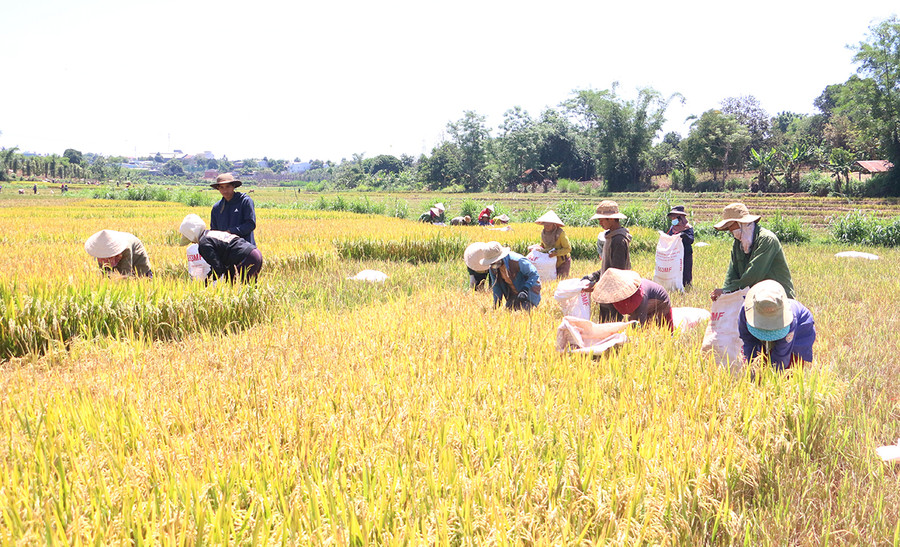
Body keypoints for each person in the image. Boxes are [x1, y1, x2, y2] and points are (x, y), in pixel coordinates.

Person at [710, 203, 795, 302]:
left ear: (742, 224)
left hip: (779, 298)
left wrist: (728, 290)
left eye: (731, 226)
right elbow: (732, 272)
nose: (730, 231)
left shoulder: (766, 240)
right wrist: (724, 293)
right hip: (756, 297)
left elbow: (754, 274)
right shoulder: (738, 243)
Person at [738, 280, 815, 371]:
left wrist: (774, 378)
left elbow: (782, 354)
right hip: (768, 323)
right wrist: (753, 368)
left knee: (789, 369)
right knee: (760, 361)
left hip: (799, 329)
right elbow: (748, 341)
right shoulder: (745, 311)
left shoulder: (790, 319)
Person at [582, 200, 632, 321]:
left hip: (615, 291)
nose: (600, 223)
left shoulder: (619, 240)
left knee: (613, 324)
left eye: (601, 219)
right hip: (606, 289)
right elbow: (608, 267)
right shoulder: (610, 237)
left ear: (611, 219)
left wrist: (596, 285)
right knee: (604, 324)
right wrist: (593, 276)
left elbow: (616, 272)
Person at [179, 213, 263, 282]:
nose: (192, 242)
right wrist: (208, 278)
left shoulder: (204, 244)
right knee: (247, 288)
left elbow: (218, 268)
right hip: (255, 254)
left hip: (246, 259)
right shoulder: (211, 234)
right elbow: (216, 265)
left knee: (235, 290)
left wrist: (206, 283)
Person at [591, 268, 673, 330]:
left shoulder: (638, 295)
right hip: (642, 304)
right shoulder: (616, 298)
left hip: (659, 302)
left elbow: (640, 323)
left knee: (654, 331)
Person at [471, 241, 540, 310]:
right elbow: (496, 286)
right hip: (512, 294)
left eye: (495, 262)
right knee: (508, 312)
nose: (493, 265)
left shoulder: (517, 261)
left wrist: (525, 289)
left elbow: (533, 274)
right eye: (491, 263)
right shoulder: (493, 268)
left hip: (529, 292)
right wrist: (495, 306)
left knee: (523, 312)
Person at [210, 173, 256, 245]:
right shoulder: (217, 207)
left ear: (233, 186)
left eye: (227, 186)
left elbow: (250, 225)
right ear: (218, 188)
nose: (225, 191)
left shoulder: (245, 201)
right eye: (221, 187)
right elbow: (214, 230)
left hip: (245, 248)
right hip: (225, 250)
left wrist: (230, 232)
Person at [84, 229, 153, 278]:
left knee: (139, 279)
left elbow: (126, 274)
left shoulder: (126, 249)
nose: (102, 261)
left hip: (138, 261)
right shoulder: (100, 251)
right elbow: (104, 272)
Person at [534, 210, 572, 279]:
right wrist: (538, 248)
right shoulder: (543, 233)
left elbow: (568, 248)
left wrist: (555, 253)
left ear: (554, 224)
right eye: (545, 224)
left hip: (562, 262)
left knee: (561, 281)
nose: (546, 226)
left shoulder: (560, 233)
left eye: (549, 224)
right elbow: (543, 246)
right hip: (550, 263)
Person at [666, 205, 695, 288]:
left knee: (686, 271)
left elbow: (691, 240)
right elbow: (669, 237)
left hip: (686, 253)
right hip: (675, 254)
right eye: (673, 218)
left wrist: (684, 235)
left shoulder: (688, 228)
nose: (673, 219)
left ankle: (687, 286)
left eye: (675, 217)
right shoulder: (673, 228)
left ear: (681, 218)